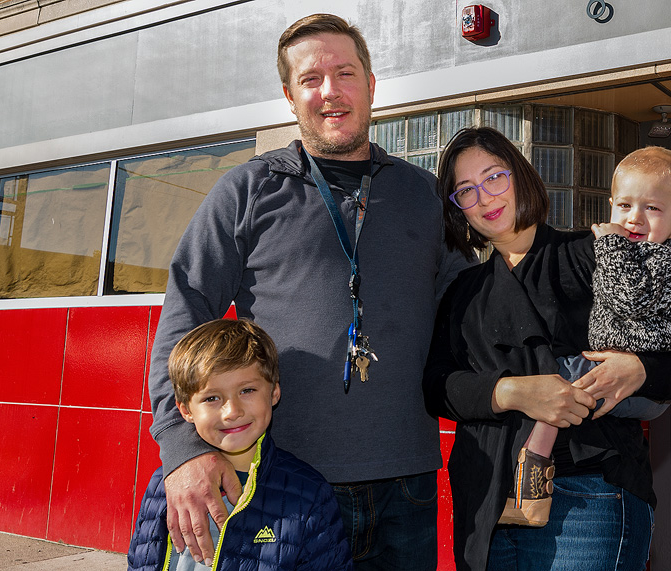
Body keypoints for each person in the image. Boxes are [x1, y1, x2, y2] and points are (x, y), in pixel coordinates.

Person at [146, 13, 473, 571]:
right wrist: (181, 446)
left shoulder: (423, 193)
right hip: (284, 481)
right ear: (289, 95)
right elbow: (186, 309)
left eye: (344, 73)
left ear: (370, 85)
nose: (330, 92)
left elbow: (473, 312)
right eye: (311, 78)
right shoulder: (247, 189)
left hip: (408, 485)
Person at [424, 127, 671, 571]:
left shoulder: (594, 251)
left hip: (588, 493)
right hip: (485, 498)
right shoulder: (464, 291)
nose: (484, 197)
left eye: (494, 177)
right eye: (465, 190)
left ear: (521, 176)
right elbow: (438, 386)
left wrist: (638, 369)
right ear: (457, 208)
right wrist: (511, 392)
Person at [503, 146, 671, 527]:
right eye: (624, 206)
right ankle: (528, 481)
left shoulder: (669, 259)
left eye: (652, 208)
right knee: (557, 383)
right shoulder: (628, 252)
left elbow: (631, 301)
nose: (634, 219)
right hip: (626, 383)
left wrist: (611, 245)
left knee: (557, 381)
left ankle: (531, 479)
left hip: (644, 393)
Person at [129, 319, 353, 571]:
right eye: (212, 398)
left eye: (247, 390)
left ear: (274, 392)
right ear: (185, 410)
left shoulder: (309, 492)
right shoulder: (166, 482)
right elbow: (142, 561)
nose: (232, 411)